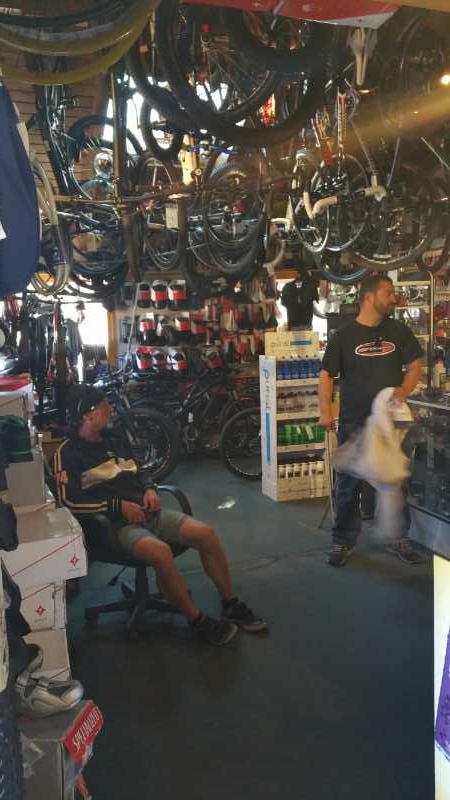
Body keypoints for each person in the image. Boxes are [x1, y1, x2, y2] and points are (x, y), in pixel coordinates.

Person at [54, 385, 267, 646]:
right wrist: (117, 507)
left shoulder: (116, 438)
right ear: (87, 416)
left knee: (206, 535)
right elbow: (69, 501)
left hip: (148, 512)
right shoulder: (68, 453)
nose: (110, 409)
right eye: (103, 406)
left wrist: (150, 488)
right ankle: (197, 621)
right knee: (160, 552)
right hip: (114, 527)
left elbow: (140, 469)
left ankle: (230, 604)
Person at [318, 273, 424, 568]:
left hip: (391, 424)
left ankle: (398, 537)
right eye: (388, 292)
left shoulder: (399, 331)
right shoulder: (344, 336)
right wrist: (325, 410)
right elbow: (326, 375)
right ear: (369, 297)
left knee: (395, 480)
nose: (393, 297)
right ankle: (342, 541)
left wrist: (404, 389)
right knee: (348, 485)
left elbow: (416, 365)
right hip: (354, 420)